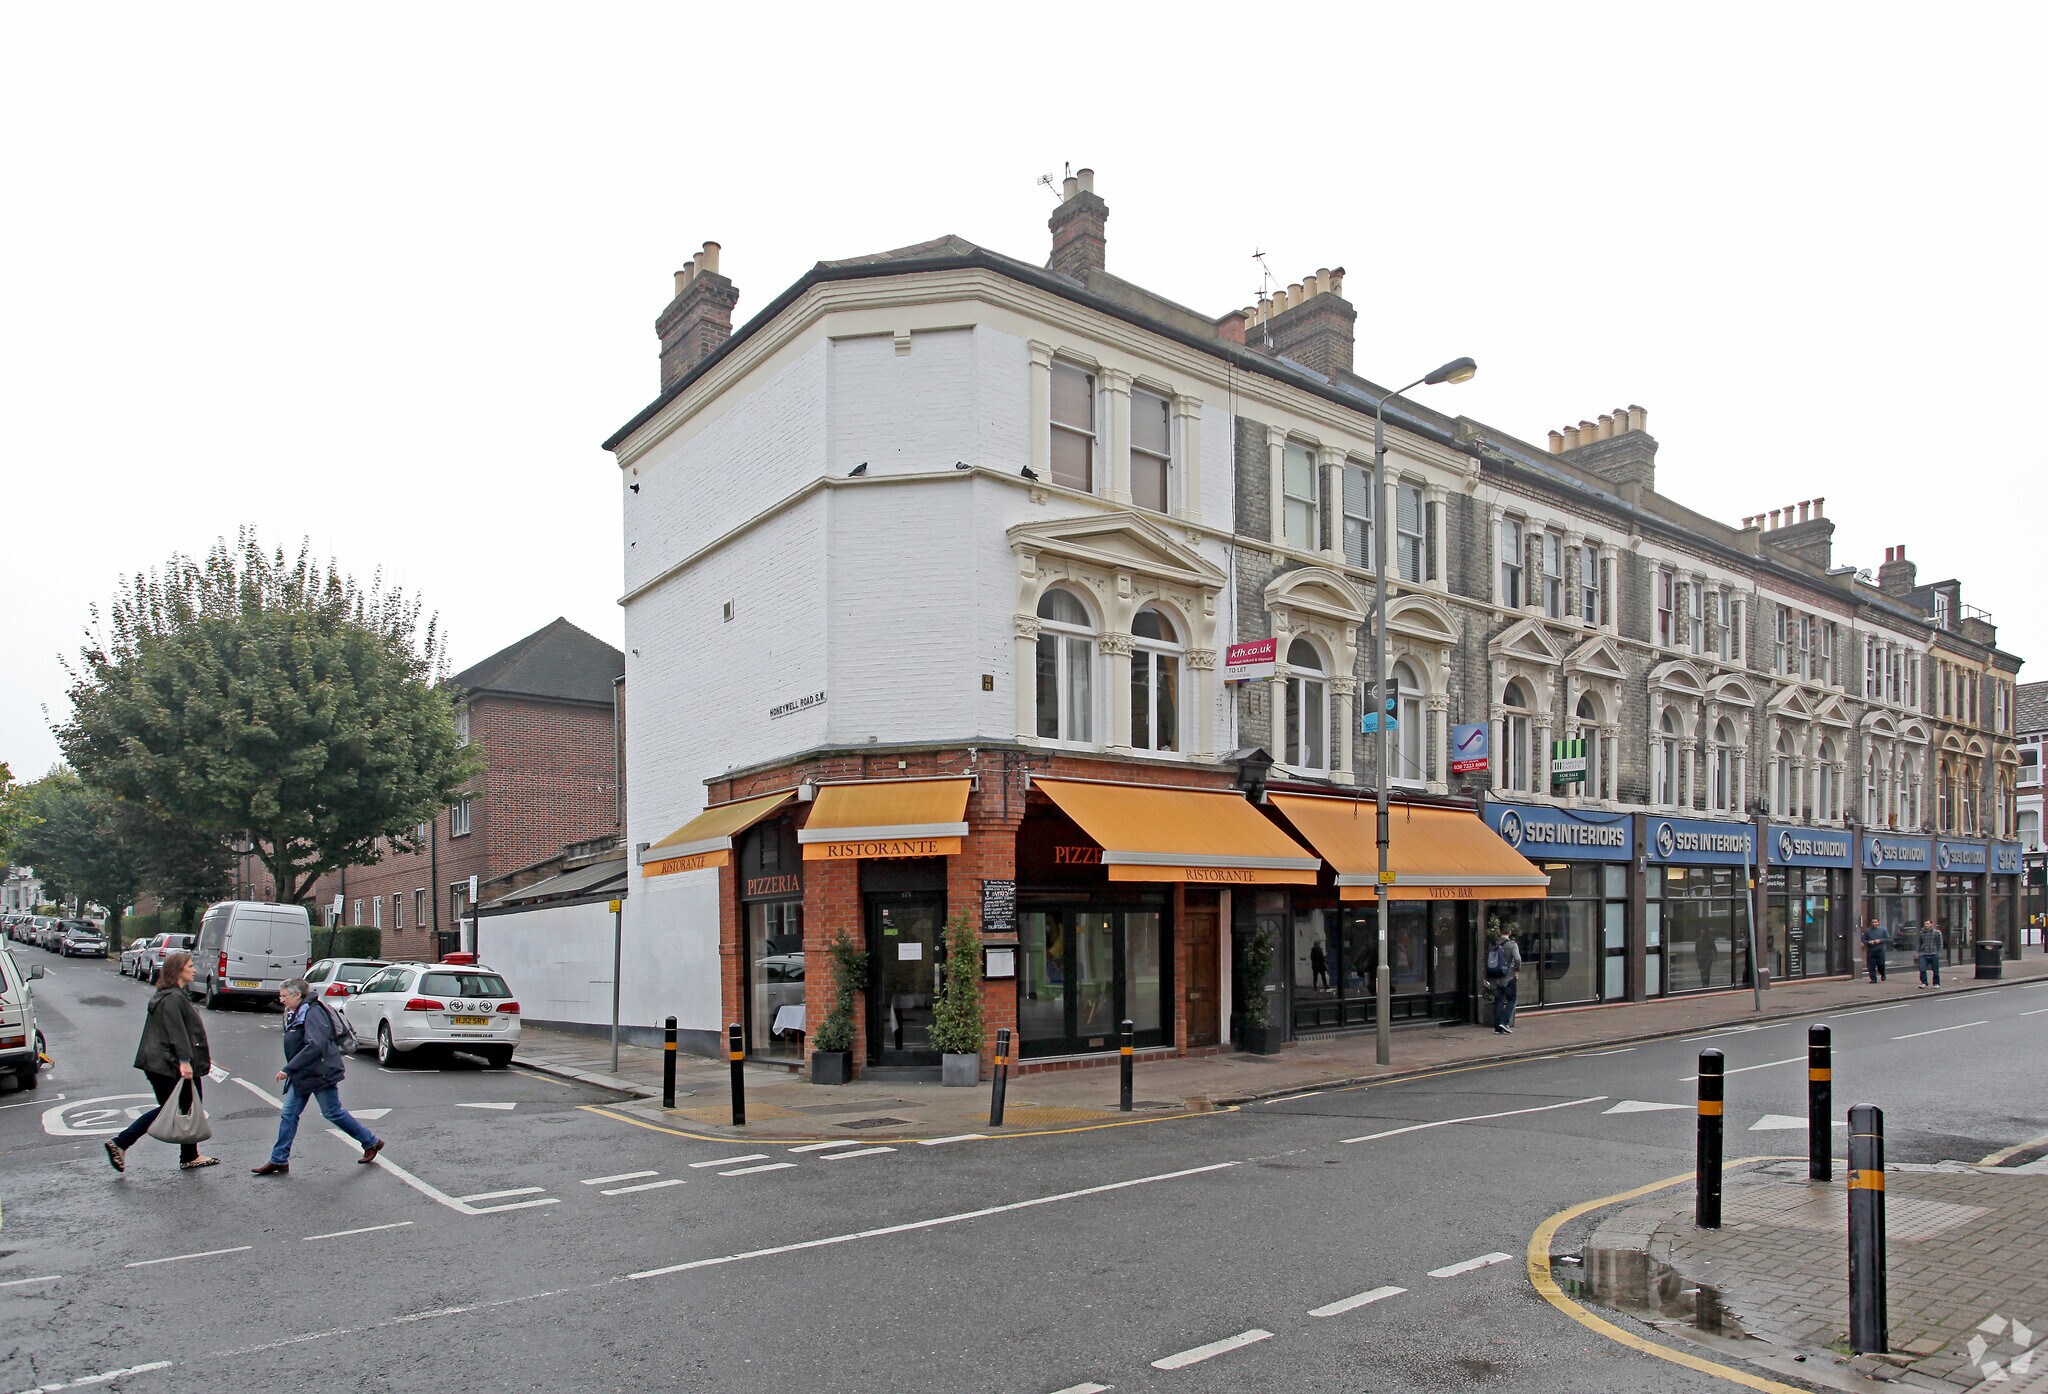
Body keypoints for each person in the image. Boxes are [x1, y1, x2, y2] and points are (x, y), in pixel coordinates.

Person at [251, 978, 383, 1175]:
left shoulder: (313, 1012)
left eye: (284, 996)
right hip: (304, 1072)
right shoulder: (297, 1011)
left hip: (320, 1071)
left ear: (297, 995)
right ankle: (279, 1159)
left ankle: (371, 1142)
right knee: (289, 1114)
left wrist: (289, 1068)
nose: (281, 1000)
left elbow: (316, 1044)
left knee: (332, 1112)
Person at [105, 950, 218, 1173]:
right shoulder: (173, 998)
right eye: (190, 966)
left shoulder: (170, 995)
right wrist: (185, 1061)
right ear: (178, 971)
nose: (194, 969)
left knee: (185, 1107)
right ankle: (121, 1143)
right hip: (169, 1064)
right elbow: (177, 1032)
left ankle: (189, 1155)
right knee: (174, 1108)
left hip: (163, 1062)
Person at [1484, 926, 1522, 1034]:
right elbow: (1518, 958)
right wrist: (1517, 970)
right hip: (1508, 977)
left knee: (1498, 1001)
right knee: (1512, 998)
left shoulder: (1493, 944)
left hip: (1495, 977)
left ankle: (1497, 1028)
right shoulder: (1512, 944)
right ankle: (1504, 1022)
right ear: (1509, 932)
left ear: (1500, 932)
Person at [1916, 919, 1944, 988]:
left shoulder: (1936, 933)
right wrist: (1917, 952)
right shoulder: (1922, 933)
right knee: (1922, 969)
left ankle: (1936, 983)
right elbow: (1919, 943)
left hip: (1933, 954)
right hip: (1924, 954)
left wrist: (1938, 952)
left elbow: (1939, 943)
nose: (1926, 925)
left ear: (1931, 924)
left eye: (1927, 923)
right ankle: (1924, 982)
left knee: (1935, 970)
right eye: (1925, 924)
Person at [1861, 917, 1889, 983]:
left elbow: (1887, 939)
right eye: (1872, 922)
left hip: (1880, 950)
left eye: (1875, 922)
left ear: (1878, 923)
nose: (1874, 923)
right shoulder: (1867, 931)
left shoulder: (1883, 930)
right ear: (1871, 923)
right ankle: (1873, 979)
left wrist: (1880, 940)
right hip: (1871, 951)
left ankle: (1883, 974)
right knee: (1871, 966)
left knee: (1881, 965)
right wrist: (1868, 942)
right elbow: (1863, 940)